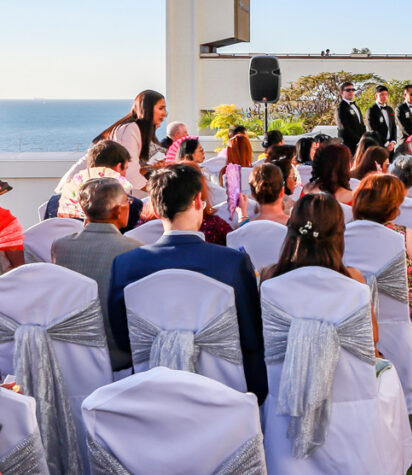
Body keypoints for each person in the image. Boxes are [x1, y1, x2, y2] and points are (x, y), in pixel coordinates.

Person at [107, 164, 267, 402]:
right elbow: (252, 338)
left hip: (153, 391)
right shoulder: (232, 263)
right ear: (197, 201)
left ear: (158, 210)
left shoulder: (125, 265)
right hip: (224, 393)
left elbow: (124, 340)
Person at [260, 193, 377, 353]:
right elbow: (372, 336)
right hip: (346, 375)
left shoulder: (269, 277)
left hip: (282, 377)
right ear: (339, 236)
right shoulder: (353, 279)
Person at [352, 174, 412, 379]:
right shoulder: (404, 235)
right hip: (403, 307)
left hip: (355, 304)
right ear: (392, 206)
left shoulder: (342, 233)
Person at [51, 177, 142, 371]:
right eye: (128, 202)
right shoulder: (136, 250)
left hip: (71, 352)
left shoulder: (61, 246)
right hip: (119, 355)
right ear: (119, 210)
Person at [50, 140, 143, 230]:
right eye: (125, 169)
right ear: (118, 167)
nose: (124, 175)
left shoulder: (55, 203)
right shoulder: (130, 205)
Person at [95, 90, 167, 197]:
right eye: (161, 108)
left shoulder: (134, 129)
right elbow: (130, 175)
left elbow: (128, 170)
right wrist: (161, 194)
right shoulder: (130, 129)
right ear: (146, 110)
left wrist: (150, 168)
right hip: (81, 193)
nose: (165, 113)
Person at [334, 81, 366, 153]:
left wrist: (364, 138)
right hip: (348, 145)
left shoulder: (356, 107)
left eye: (353, 90)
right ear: (342, 93)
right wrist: (359, 140)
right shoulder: (341, 108)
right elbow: (345, 128)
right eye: (348, 90)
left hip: (360, 144)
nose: (351, 92)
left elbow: (361, 124)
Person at [365, 85, 398, 152]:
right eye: (382, 94)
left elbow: (393, 126)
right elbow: (373, 130)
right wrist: (386, 143)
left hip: (391, 147)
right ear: (376, 96)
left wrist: (393, 141)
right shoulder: (371, 110)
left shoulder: (390, 109)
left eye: (386, 94)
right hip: (378, 146)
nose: (384, 96)